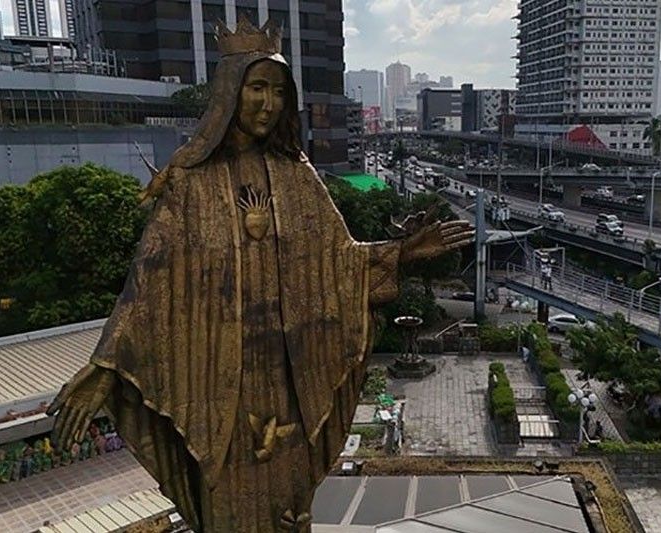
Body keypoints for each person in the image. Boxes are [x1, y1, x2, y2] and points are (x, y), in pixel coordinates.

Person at [47, 19, 473, 533]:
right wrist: (107, 365)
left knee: (289, 509)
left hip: (287, 379)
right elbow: (151, 285)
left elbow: (337, 262)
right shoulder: (191, 185)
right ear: (230, 94)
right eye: (256, 88)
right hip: (220, 384)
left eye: (278, 92)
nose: (268, 104)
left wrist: (401, 253)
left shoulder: (298, 178)